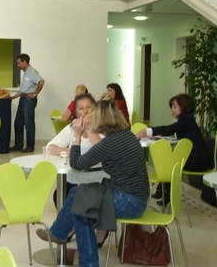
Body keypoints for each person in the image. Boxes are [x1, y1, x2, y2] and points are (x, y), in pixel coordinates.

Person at [36, 100, 149, 267]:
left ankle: (87, 262)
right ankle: (59, 233)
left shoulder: (110, 143)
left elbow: (76, 163)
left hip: (129, 201)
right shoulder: (125, 135)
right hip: (136, 197)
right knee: (77, 192)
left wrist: (76, 136)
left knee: (83, 209)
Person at [46, 93, 108, 247]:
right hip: (78, 174)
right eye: (81, 109)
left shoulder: (104, 126)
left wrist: (89, 129)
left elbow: (102, 152)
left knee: (77, 192)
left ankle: (67, 231)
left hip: (101, 175)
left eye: (89, 107)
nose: (86, 112)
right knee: (60, 192)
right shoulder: (72, 128)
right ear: (76, 113)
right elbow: (50, 147)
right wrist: (68, 150)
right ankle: (71, 227)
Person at [135, 93, 213, 204]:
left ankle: (165, 192)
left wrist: (146, 131)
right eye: (172, 107)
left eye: (175, 107)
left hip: (199, 162)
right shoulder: (187, 120)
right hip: (199, 160)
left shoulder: (186, 121)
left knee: (169, 163)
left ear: (184, 106)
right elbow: (172, 130)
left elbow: (170, 129)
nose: (172, 110)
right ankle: (163, 190)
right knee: (169, 161)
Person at [10, 54, 45, 153]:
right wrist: (12, 97)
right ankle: (18, 145)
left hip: (29, 101)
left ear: (25, 62)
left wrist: (35, 94)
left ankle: (30, 146)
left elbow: (41, 82)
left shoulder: (32, 72)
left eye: (19, 63)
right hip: (23, 99)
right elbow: (23, 90)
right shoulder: (25, 73)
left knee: (29, 124)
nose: (18, 65)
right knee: (18, 123)